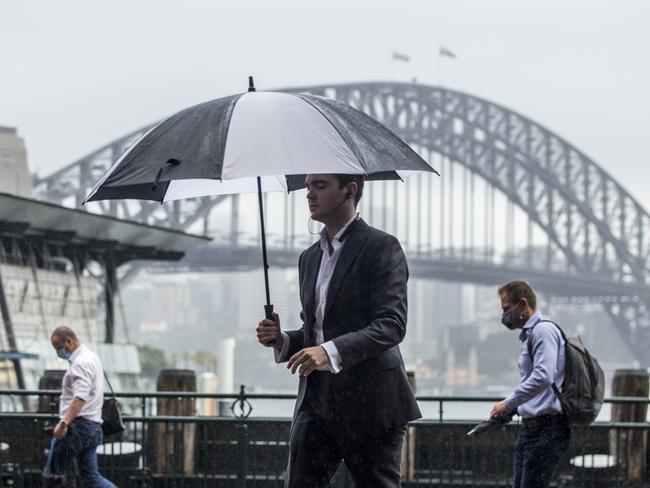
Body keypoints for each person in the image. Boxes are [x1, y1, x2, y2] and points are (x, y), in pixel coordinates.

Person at [257, 173, 421, 488]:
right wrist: (283, 340)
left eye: (320, 185)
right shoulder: (309, 258)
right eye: (307, 186)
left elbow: (392, 325)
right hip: (317, 402)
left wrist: (328, 351)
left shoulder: (382, 247)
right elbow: (315, 331)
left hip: (371, 403)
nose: (309, 194)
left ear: (349, 190)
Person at [490, 280, 571, 488]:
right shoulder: (530, 335)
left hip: (547, 429)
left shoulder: (543, 331)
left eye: (507, 308)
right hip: (531, 429)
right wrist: (515, 407)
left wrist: (509, 402)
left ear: (523, 304)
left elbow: (544, 376)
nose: (504, 315)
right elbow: (535, 383)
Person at [43, 326, 117, 488]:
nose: (59, 352)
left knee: (52, 475)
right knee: (91, 478)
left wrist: (64, 423)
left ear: (69, 341)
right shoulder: (92, 357)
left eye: (59, 348)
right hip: (93, 427)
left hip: (76, 428)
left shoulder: (80, 363)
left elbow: (80, 397)